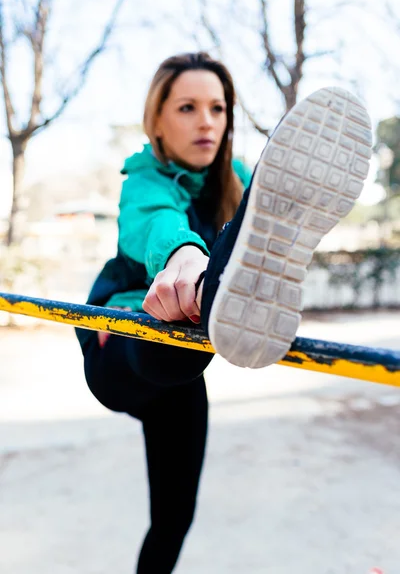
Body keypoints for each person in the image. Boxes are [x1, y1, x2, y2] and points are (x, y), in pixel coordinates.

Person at [76, 52, 372, 573]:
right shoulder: (143, 181)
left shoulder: (236, 185)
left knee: (173, 518)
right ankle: (209, 283)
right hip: (123, 346)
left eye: (218, 108)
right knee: (170, 336)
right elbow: (154, 223)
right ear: (159, 123)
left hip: (190, 362)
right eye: (188, 107)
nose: (207, 120)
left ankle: (219, 284)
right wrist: (184, 258)